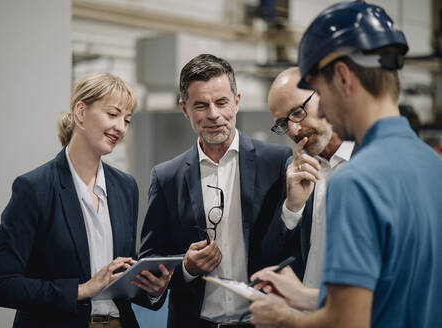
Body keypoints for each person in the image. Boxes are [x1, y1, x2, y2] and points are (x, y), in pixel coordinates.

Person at [249, 1, 442, 327]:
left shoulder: (356, 181)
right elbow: (390, 289)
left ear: (342, 78)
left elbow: (347, 321)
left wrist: (285, 317)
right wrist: (307, 296)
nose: (322, 111)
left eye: (318, 93)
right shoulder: (432, 166)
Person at [0, 72, 173, 328]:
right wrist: (82, 290)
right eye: (112, 114)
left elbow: (120, 276)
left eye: (127, 120)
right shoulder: (34, 188)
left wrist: (152, 288)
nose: (121, 127)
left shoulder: (125, 187)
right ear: (81, 112)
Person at [139, 54, 294, 327]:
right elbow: (150, 263)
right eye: (201, 105)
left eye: (221, 102)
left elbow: (294, 245)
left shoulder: (277, 163)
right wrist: (187, 268)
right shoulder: (167, 177)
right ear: (185, 109)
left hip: (262, 322)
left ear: (236, 101)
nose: (213, 114)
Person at [252, 66, 355, 311]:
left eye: (297, 113)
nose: (294, 130)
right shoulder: (293, 168)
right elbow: (272, 258)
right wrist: (292, 208)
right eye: (282, 123)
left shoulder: (372, 162)